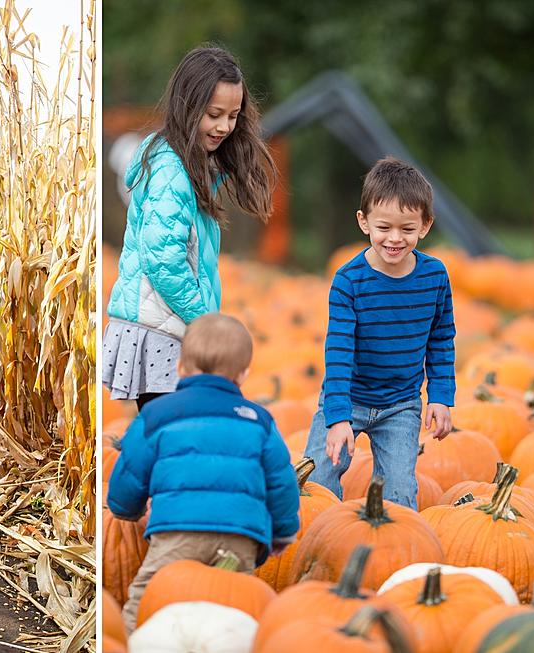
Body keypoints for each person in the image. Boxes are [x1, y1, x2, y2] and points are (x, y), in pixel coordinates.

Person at [103, 46, 278, 412]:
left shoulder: (192, 166)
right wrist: (205, 324)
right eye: (214, 115)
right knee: (174, 431)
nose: (225, 127)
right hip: (160, 333)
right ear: (187, 107)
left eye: (232, 116)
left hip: (171, 327)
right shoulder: (170, 172)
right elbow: (164, 262)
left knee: (175, 431)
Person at [106, 313, 300, 633]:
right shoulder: (258, 419)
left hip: (179, 530)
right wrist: (282, 532)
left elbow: (132, 467)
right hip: (241, 537)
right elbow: (281, 481)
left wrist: (126, 508)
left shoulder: (157, 413)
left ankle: (127, 641)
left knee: (145, 602)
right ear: (244, 374)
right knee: (234, 616)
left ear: (180, 367)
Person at [302, 157, 456, 509]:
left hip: (401, 403)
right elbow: (338, 351)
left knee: (400, 494)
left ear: (426, 225)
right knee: (316, 483)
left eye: (407, 228)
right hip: (349, 396)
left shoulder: (434, 276)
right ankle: (326, 545)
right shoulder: (349, 280)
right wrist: (338, 417)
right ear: (364, 222)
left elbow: (441, 338)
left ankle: (391, 557)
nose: (395, 238)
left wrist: (440, 397)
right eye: (384, 227)